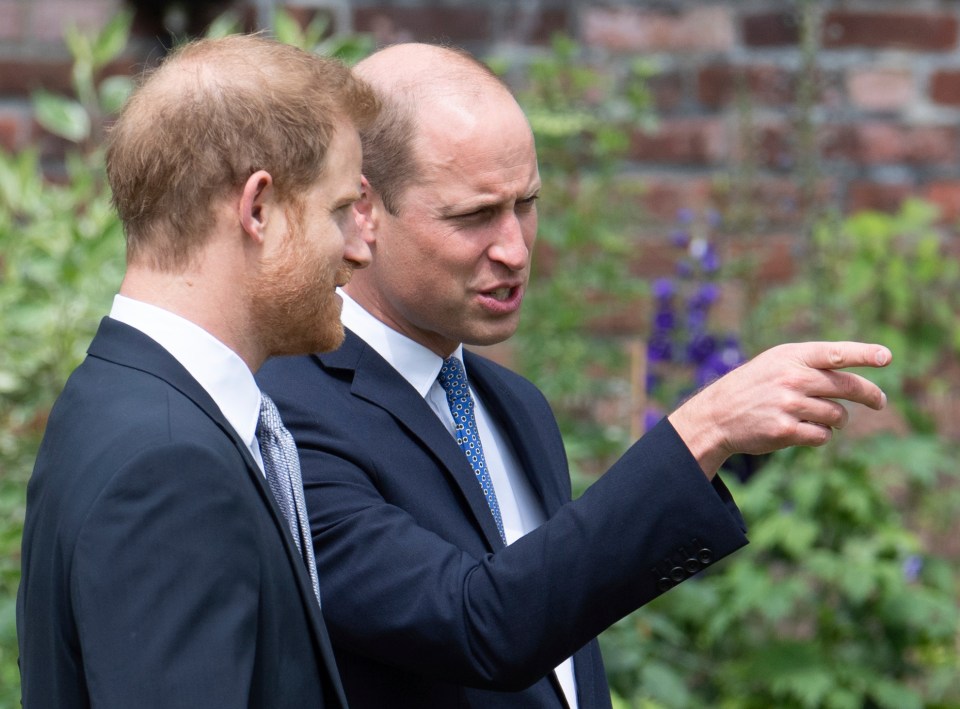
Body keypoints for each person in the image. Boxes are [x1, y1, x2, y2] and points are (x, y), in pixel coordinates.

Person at [257, 42, 891, 708]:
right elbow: (478, 623)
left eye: (524, 204)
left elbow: (553, 630)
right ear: (362, 211)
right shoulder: (289, 410)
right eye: (473, 215)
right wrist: (703, 430)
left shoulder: (513, 406)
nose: (514, 248)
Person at [16, 34, 378, 708]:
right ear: (258, 209)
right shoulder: (170, 468)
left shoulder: (117, 397)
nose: (361, 247)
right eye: (338, 210)